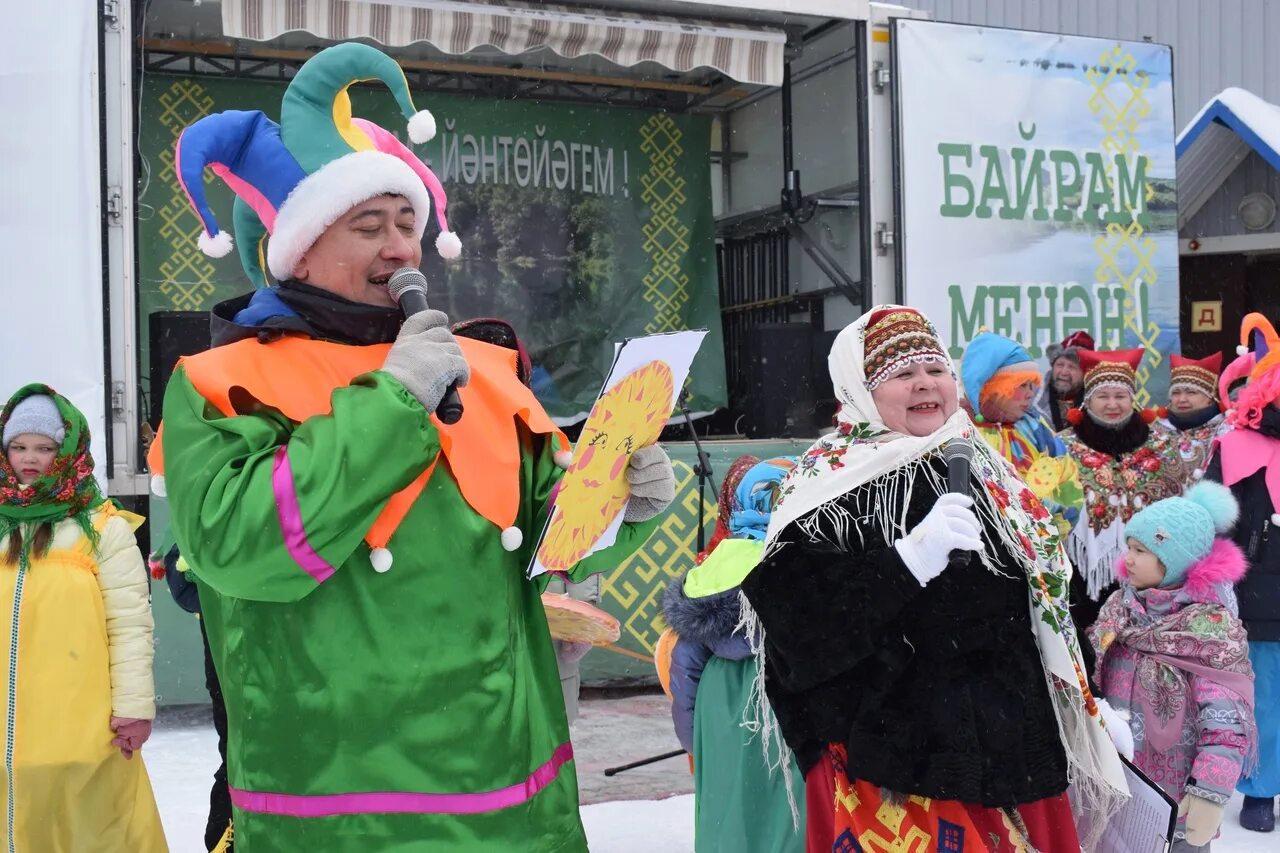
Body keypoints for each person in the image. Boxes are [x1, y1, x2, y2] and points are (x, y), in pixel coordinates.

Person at [149, 43, 675, 851]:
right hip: (344, 814)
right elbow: (241, 543)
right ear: (297, 246)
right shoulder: (221, 381)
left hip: (517, 804)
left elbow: (542, 546)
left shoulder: (489, 370)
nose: (401, 249)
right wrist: (395, 401)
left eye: (408, 224)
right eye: (370, 226)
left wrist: (618, 500)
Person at [740, 306, 1129, 852]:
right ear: (860, 390)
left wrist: (1085, 696)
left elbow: (1041, 604)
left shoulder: (986, 470)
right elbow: (798, 633)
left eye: (935, 369)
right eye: (901, 375)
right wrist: (907, 562)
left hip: (1012, 753)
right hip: (895, 771)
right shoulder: (822, 486)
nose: (925, 383)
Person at [0, 385, 167, 851]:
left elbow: (130, 625)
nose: (29, 458)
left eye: (45, 447)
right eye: (19, 446)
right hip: (3, 732)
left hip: (81, 728)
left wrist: (134, 707)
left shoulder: (102, 528)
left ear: (68, 450)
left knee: (90, 831)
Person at [1089, 482, 1257, 851]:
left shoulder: (1210, 630)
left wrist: (1210, 794)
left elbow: (1226, 726)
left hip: (1178, 799)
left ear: (1176, 559)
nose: (1128, 559)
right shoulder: (1118, 611)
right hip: (1118, 787)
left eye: (1141, 551)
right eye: (1129, 548)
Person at [662, 455, 805, 853]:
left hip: (720, 707)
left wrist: (695, 741)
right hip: (789, 705)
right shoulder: (810, 566)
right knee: (787, 811)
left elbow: (684, 669)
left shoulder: (710, 571)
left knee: (729, 808)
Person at [1204, 312, 1280, 834]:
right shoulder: (1232, 447)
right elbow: (1210, 521)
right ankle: (1260, 788)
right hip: (1260, 597)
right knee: (1265, 697)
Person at [1060, 348, 1188, 645]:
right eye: (1103, 396)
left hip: (1150, 577)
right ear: (1087, 400)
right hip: (1083, 578)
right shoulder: (1064, 448)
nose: (1112, 404)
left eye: (1120, 396)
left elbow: (1178, 508)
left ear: (1133, 399)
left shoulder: (1162, 447)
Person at [959, 331, 1082, 536]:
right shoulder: (959, 429)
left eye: (1030, 385)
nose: (1029, 394)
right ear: (991, 387)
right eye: (1020, 385)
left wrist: (1050, 534)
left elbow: (1069, 483)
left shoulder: (1036, 428)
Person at [161, 545, 234, 851]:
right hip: (228, 648)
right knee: (235, 749)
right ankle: (226, 838)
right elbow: (180, 577)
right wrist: (213, 598)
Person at [1157, 353, 1227, 480]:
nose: (1182, 399)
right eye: (1176, 393)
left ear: (1210, 397)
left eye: (1191, 392)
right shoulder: (1156, 432)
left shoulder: (1225, 431)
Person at [1036, 330, 1093, 431]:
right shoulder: (1033, 400)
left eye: (1071, 367)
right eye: (1060, 365)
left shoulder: (1097, 404)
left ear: (1085, 373)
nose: (1064, 372)